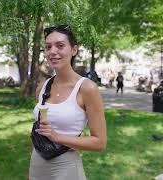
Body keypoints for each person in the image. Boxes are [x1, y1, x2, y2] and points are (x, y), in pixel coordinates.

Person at [29, 25, 107, 180]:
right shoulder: (42, 88)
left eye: (60, 46)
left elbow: (99, 142)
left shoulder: (87, 89)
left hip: (65, 167)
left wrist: (58, 137)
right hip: (37, 163)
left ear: (73, 50)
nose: (52, 51)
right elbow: (39, 131)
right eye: (48, 47)